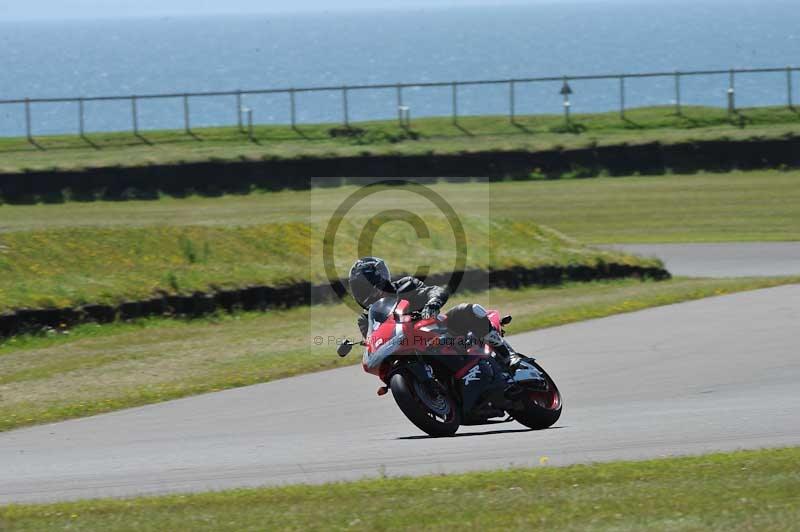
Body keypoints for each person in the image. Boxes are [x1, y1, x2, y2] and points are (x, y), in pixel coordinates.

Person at [348, 257, 516, 362]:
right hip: (409, 347)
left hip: (439, 331)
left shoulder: (406, 286)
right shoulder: (365, 319)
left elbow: (433, 291)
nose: (367, 293)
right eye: (361, 289)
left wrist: (433, 303)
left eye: (368, 286)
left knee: (469, 310)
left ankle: (508, 356)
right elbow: (374, 340)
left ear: (381, 279)